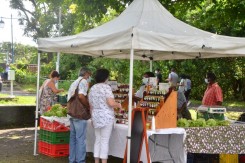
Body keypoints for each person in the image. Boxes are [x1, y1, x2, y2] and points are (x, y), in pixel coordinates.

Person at [88, 69, 122, 163]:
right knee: (104, 141)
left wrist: (92, 117)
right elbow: (111, 103)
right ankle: (104, 161)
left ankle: (96, 161)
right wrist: (118, 105)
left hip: (95, 116)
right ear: (106, 77)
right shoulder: (106, 87)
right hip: (106, 117)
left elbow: (90, 105)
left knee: (98, 139)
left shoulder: (93, 88)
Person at [67, 67, 92, 163]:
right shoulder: (83, 82)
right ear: (86, 74)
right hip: (79, 114)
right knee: (80, 139)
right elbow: (81, 96)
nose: (90, 77)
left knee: (73, 138)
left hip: (72, 113)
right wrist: (88, 105)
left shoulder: (74, 82)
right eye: (89, 75)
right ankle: (81, 160)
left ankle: (72, 159)